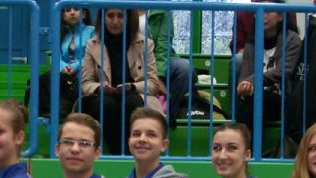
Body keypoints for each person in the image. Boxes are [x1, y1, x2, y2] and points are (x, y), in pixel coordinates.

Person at [79, 7, 165, 155]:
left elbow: (152, 84)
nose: (115, 21)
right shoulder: (92, 44)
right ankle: (118, 154)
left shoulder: (146, 44)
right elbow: (85, 84)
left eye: (120, 16)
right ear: (103, 18)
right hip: (103, 97)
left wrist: (131, 87)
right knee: (106, 104)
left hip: (134, 95)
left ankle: (128, 153)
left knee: (130, 102)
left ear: (129, 19)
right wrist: (99, 87)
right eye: (110, 16)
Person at [235, 0, 303, 154]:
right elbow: (245, 76)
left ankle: (247, 152)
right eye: (259, 12)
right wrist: (244, 87)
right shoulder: (252, 42)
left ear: (280, 16)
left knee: (255, 103)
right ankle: (248, 152)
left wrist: (252, 81)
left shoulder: (292, 39)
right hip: (256, 98)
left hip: (282, 98)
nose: (262, 15)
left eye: (268, 11)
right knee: (251, 103)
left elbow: (283, 71)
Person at [29, 5, 95, 120]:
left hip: (84, 70)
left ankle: (73, 111)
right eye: (68, 10)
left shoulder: (92, 31)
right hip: (63, 72)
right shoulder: (59, 33)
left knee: (81, 80)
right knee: (45, 78)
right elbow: (55, 55)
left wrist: (74, 66)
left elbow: (92, 55)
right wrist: (64, 67)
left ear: (84, 14)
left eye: (76, 9)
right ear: (63, 16)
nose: (72, 12)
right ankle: (49, 111)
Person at [145, 6, 196, 124]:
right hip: (133, 60)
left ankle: (167, 117)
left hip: (158, 59)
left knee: (185, 69)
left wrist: (158, 76)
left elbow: (163, 45)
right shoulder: (120, 8)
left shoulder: (163, 8)